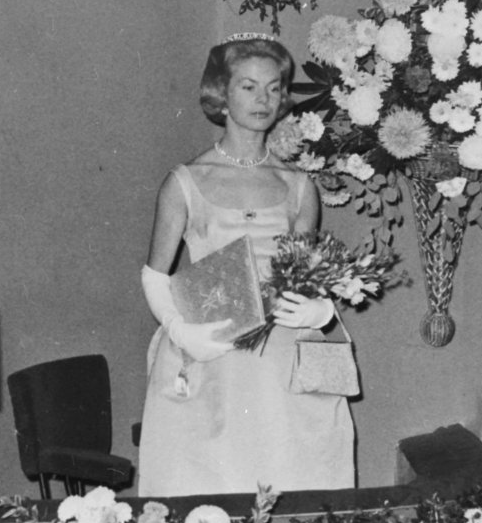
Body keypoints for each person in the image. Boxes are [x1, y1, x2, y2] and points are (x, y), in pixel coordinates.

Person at [136, 33, 355, 497]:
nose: (263, 100)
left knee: (294, 472)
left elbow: (306, 274)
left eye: (274, 88)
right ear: (221, 92)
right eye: (248, 87)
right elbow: (155, 275)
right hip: (212, 346)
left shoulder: (297, 184)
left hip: (281, 358)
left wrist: (321, 310)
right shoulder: (186, 181)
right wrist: (179, 331)